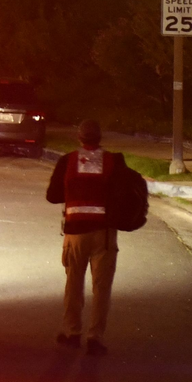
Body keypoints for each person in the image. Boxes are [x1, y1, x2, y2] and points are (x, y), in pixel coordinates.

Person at [45, 119, 118, 356]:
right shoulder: (112, 161)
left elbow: (53, 195)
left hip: (75, 232)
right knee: (102, 287)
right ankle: (95, 337)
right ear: (99, 138)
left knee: (74, 283)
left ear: (79, 137)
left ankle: (72, 332)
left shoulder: (68, 161)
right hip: (104, 233)